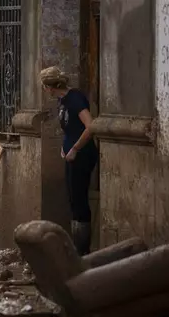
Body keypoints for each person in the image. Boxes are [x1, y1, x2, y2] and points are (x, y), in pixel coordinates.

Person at [40, 66, 98, 255]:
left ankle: (82, 251)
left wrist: (74, 148)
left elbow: (90, 126)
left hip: (82, 155)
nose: (44, 90)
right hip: (71, 155)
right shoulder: (63, 100)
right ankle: (77, 248)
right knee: (73, 199)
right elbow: (70, 127)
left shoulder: (75, 99)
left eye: (44, 87)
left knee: (79, 200)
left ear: (50, 87)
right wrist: (65, 147)